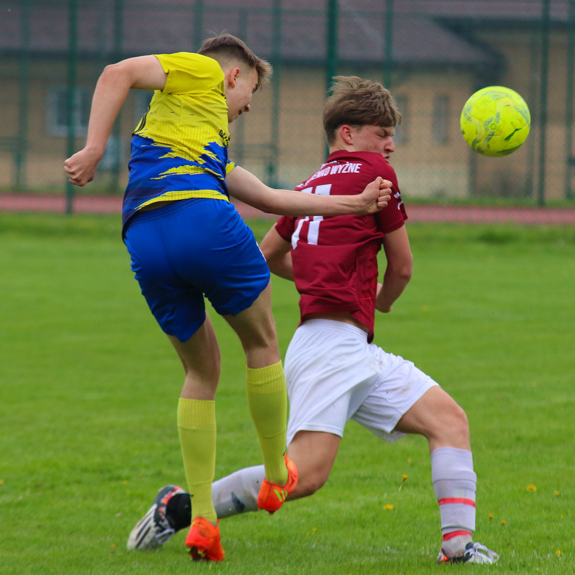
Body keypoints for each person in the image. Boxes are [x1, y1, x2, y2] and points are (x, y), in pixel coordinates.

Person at [126, 76, 499, 565]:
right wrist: (383, 298)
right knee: (302, 476)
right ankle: (179, 508)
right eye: (380, 131)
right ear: (348, 134)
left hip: (349, 347)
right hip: (330, 349)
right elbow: (403, 267)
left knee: (449, 421)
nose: (389, 144)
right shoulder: (375, 173)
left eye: (391, 134)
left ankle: (458, 547)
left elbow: (267, 255)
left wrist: (317, 277)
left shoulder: (311, 186)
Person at [64, 37, 391, 563]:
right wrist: (94, 147)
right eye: (250, 96)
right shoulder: (199, 71)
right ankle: (275, 471)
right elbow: (115, 71)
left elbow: (270, 198)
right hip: (203, 220)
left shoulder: (194, 140)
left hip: (145, 238)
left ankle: (203, 522)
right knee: (261, 344)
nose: (247, 108)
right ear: (234, 77)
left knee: (201, 373)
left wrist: (353, 203)